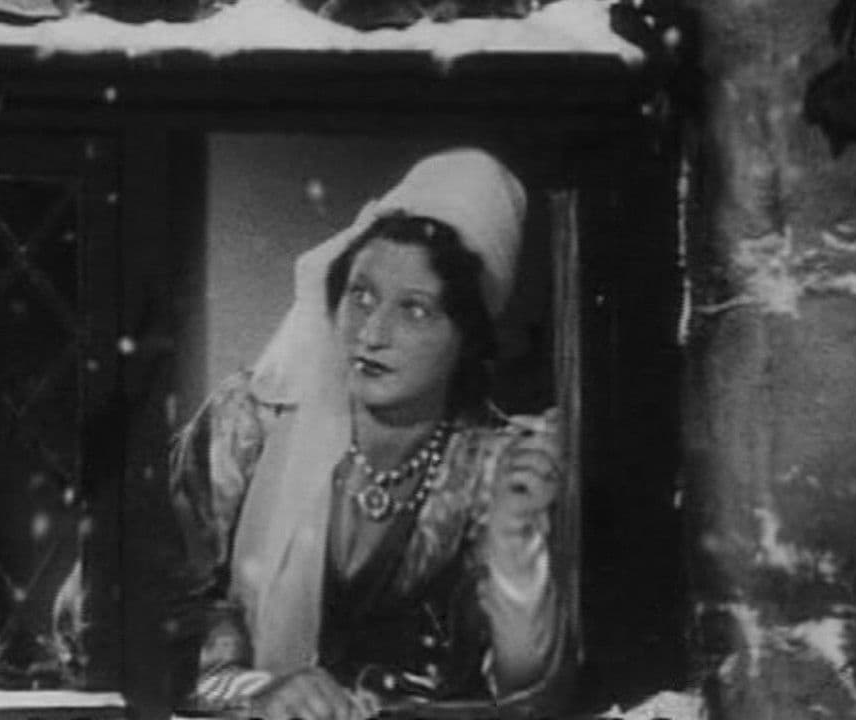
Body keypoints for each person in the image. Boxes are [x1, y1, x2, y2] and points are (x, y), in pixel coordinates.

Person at [168, 148, 575, 720]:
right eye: (361, 295)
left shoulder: (494, 464)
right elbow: (132, 608)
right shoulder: (250, 422)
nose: (372, 332)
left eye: (415, 310)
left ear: (468, 337)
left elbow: (525, 692)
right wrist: (253, 689)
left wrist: (515, 548)